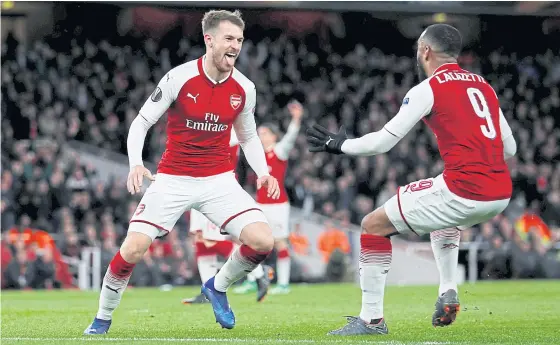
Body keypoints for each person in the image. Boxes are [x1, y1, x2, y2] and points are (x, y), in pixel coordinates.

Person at [306, 23, 516, 336]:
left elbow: (382, 143)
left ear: (425, 51)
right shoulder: (483, 85)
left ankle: (371, 320)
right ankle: (448, 290)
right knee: (444, 218)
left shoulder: (428, 88)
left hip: (464, 191)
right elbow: (509, 148)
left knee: (373, 225)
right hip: (500, 194)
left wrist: (339, 145)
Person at [84, 9, 280, 334]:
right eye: (229, 38)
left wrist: (263, 170)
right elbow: (142, 121)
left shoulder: (245, 88)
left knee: (263, 241)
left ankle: (217, 286)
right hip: (173, 179)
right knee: (132, 248)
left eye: (240, 40)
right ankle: (102, 317)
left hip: (219, 180)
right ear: (209, 39)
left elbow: (247, 136)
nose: (235, 46)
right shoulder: (179, 78)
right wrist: (136, 161)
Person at [182, 131, 273, 304]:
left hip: (218, 187)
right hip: (199, 184)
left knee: (213, 241)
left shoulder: (227, 124)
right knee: (201, 242)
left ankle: (259, 272)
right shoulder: (206, 120)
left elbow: (230, 142)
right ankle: (207, 291)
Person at [234, 101, 302, 295]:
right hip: (259, 204)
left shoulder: (279, 151)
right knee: (248, 240)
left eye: (265, 133)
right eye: (260, 133)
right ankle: (252, 280)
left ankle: (283, 284)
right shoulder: (257, 154)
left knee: (280, 243)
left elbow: (290, 138)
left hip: (278, 205)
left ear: (274, 136)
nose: (261, 136)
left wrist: (296, 119)